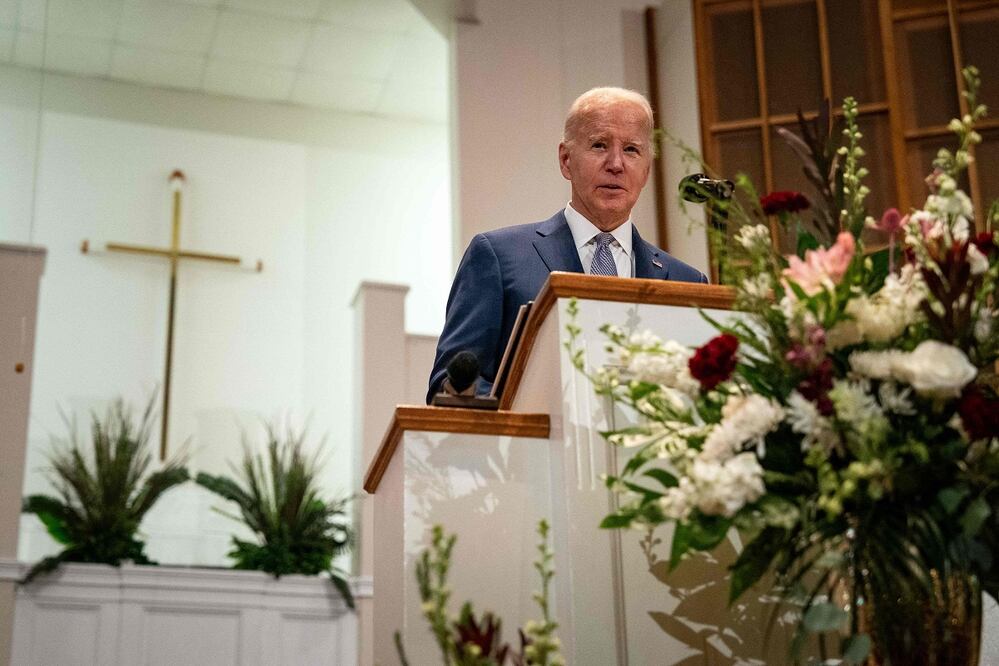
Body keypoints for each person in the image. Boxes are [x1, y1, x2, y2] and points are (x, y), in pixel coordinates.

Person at [427, 86, 707, 403]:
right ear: (565, 160)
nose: (616, 164)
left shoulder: (688, 283)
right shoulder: (498, 257)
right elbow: (448, 385)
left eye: (631, 150)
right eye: (599, 145)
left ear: (646, 170)